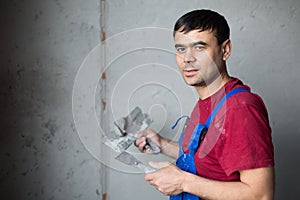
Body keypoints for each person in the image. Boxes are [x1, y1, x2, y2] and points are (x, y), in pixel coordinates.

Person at [135, 9, 274, 200]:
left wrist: (183, 182)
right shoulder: (209, 101)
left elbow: (260, 195)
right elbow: (211, 159)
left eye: (199, 47)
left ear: (225, 50)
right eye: (181, 49)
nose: (187, 58)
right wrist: (163, 144)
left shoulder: (240, 108)